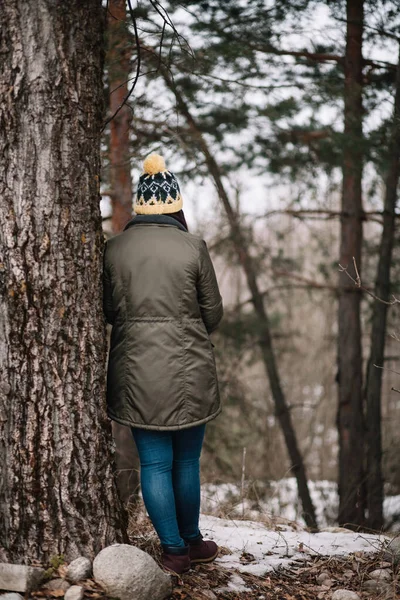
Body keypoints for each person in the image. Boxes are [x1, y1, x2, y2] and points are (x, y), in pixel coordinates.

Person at [103, 153, 223, 574]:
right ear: (176, 204)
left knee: (154, 463)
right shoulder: (193, 247)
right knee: (186, 462)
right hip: (189, 370)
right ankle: (192, 542)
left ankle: (172, 552)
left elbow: (107, 310)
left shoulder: (114, 248)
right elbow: (213, 315)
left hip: (136, 371)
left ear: (140, 205)